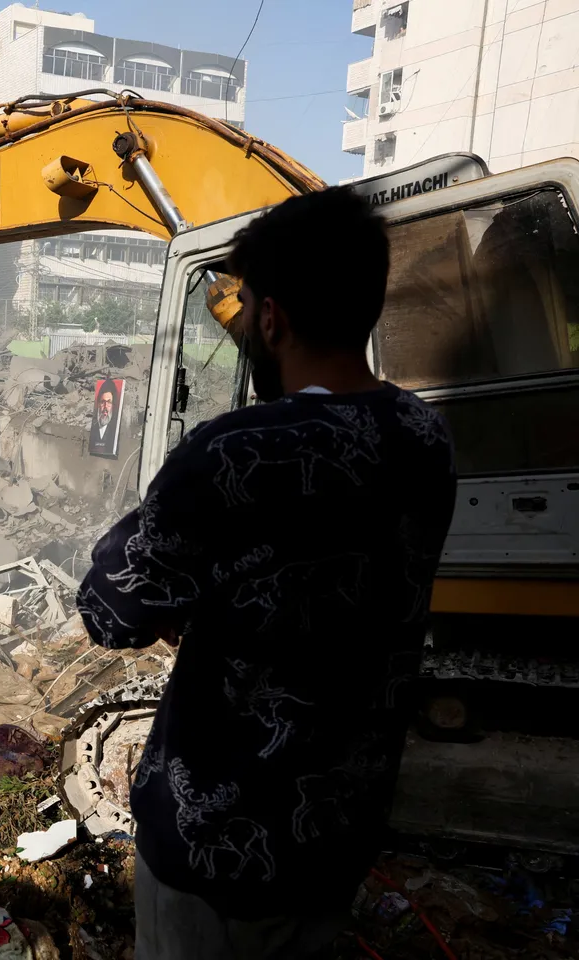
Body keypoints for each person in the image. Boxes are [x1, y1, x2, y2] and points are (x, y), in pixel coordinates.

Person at [76, 188, 456, 959]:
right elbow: (309, 571)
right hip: (339, 832)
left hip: (218, 842)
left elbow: (111, 608)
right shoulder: (426, 435)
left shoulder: (234, 451)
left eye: (245, 304)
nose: (241, 320)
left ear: (273, 317)